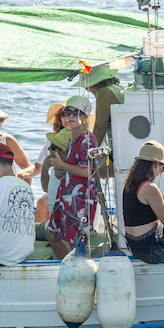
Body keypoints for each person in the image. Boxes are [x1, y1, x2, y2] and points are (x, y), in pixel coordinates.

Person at [44, 95, 99, 258]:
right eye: (68, 112)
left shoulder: (87, 140)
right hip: (67, 197)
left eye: (77, 113)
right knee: (52, 234)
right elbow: (74, 168)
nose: (71, 117)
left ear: (85, 116)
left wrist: (62, 166)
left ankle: (78, 270)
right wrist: (61, 170)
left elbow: (88, 171)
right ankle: (67, 265)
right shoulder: (73, 139)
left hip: (80, 199)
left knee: (77, 243)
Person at [74, 64, 124, 149]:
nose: (88, 91)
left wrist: (89, 153)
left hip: (122, 145)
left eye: (86, 87)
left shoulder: (104, 92)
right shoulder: (117, 88)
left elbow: (100, 127)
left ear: (96, 83)